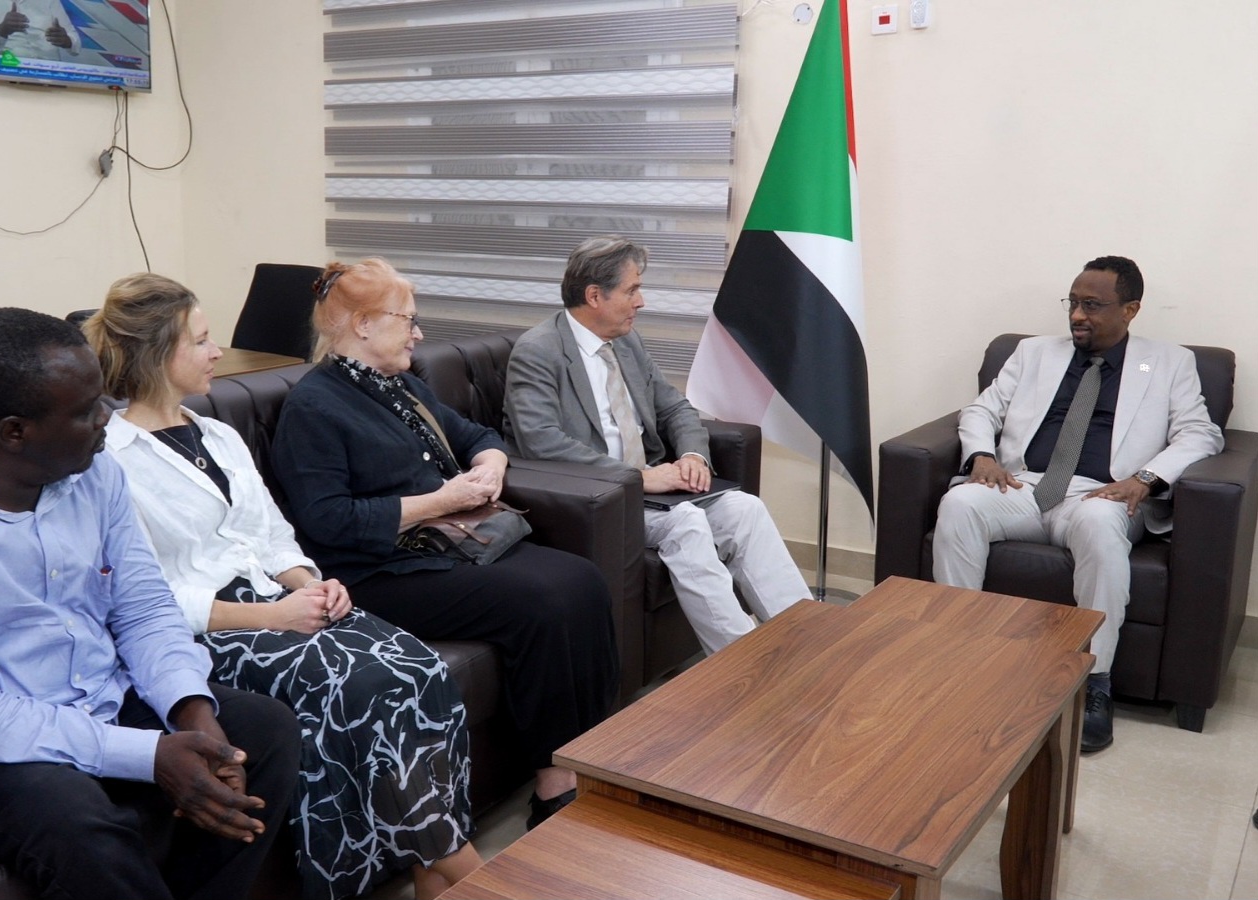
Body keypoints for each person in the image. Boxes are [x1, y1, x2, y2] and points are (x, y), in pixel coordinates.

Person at [0, 308, 300, 900]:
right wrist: (149, 754)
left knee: (265, 733)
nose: (108, 417)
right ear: (14, 432)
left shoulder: (95, 473)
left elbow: (144, 608)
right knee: (79, 826)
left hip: (101, 692)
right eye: (86, 410)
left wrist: (191, 711)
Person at [86, 274, 482, 900]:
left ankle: (432, 873)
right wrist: (272, 617)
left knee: (420, 667)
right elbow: (144, 601)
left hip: (280, 600)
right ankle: (463, 870)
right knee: (356, 685)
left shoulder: (218, 435)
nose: (217, 351)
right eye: (202, 340)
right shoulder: (108, 460)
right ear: (159, 354)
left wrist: (313, 585)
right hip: (211, 630)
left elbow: (272, 537)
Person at [273, 258, 619, 831]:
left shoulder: (402, 386)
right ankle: (553, 782)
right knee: (542, 603)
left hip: (440, 548)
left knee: (582, 580)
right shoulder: (312, 407)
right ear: (363, 324)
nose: (418, 333)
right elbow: (328, 521)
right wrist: (440, 500)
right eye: (407, 320)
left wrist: (491, 465)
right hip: (374, 571)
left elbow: (478, 436)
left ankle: (593, 751)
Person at [932, 256, 1223, 753]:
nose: (1077, 316)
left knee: (1098, 521)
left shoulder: (1169, 363)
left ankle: (1094, 682)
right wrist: (982, 455)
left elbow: (1201, 434)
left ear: (1130, 309)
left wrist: (1145, 479)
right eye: (1073, 302)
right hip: (1024, 485)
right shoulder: (1033, 353)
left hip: (1103, 492)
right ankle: (960, 658)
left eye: (1092, 305)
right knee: (959, 504)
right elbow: (981, 410)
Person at [504, 236, 811, 656]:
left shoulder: (627, 342)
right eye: (631, 290)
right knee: (687, 524)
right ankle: (744, 663)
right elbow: (540, 441)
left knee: (745, 509)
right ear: (594, 296)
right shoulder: (538, 351)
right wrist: (638, 478)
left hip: (652, 488)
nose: (641, 301)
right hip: (599, 497)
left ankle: (807, 640)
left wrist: (692, 456)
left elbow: (675, 408)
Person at [0, 0, 81, 61]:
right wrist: (1, 32)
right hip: (6, 70)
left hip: (48, 72)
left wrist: (66, 41)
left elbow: (75, 42)